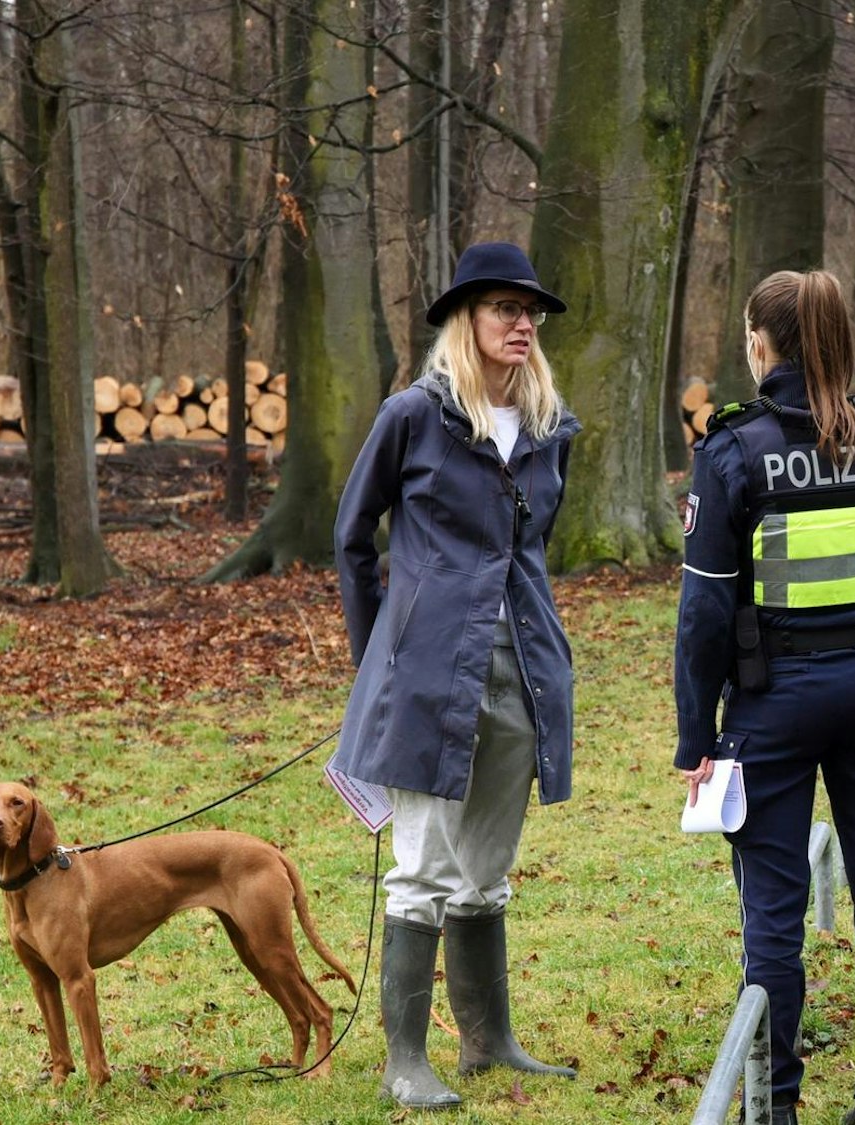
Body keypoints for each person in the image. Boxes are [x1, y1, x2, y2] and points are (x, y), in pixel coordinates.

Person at [673, 269, 855, 1125]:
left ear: (760, 343)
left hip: (772, 700)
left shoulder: (732, 450)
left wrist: (694, 738)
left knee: (774, 919)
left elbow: (706, 611)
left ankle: (774, 1106)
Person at [332, 241, 581, 1109]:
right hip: (430, 671)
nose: (522, 323)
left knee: (486, 863)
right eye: (504, 308)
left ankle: (490, 1041)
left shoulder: (550, 428)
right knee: (424, 862)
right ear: (465, 319)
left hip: (523, 667)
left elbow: (533, 552)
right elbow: (353, 535)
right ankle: (406, 1059)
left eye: (530, 311)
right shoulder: (414, 415)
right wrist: (380, 656)